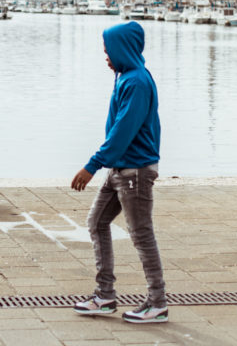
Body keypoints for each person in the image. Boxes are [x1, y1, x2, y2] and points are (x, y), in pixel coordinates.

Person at [70, 21, 167, 324]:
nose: (105, 56)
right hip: (121, 167)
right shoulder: (126, 77)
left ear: (122, 49)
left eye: (108, 50)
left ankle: (157, 302)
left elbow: (124, 131)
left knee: (141, 234)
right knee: (97, 222)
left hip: (135, 171)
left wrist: (92, 165)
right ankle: (105, 296)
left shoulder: (137, 82)